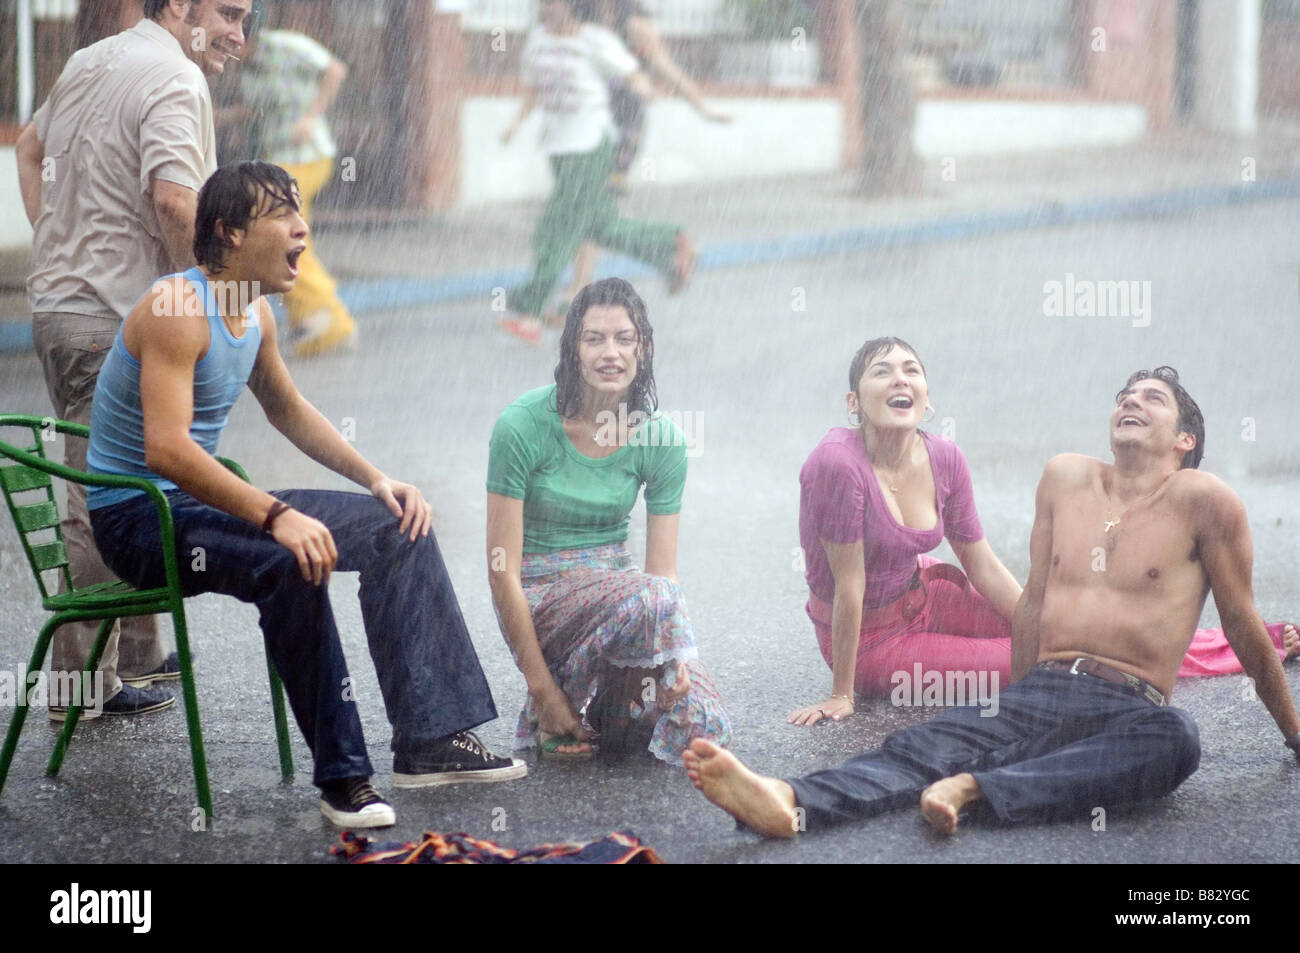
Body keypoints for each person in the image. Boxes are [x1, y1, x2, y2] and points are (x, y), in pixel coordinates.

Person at [87, 162, 524, 828]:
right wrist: (278, 515)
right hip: (137, 519)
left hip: (200, 506)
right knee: (291, 559)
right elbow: (167, 450)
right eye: (283, 214)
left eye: (300, 212)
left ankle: (432, 737)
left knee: (395, 524)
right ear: (230, 233)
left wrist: (376, 478)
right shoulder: (177, 308)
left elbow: (287, 407)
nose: (302, 227)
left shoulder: (255, 312)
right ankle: (344, 780)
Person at [685, 366, 1300, 836]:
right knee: (926, 743)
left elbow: (1241, 624)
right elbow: (1032, 601)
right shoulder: (1066, 478)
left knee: (1176, 741)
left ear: (1185, 439)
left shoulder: (1205, 500)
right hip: (1046, 682)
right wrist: (1022, 696)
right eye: (1124, 396)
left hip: (1132, 701)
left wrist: (1294, 733)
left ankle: (977, 788)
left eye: (1152, 399)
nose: (1130, 402)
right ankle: (787, 801)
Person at [790, 338, 1297, 727]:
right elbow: (849, 586)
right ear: (854, 402)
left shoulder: (944, 457)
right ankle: (1194, 657)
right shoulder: (837, 464)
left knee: (1075, 631)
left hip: (927, 594)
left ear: (927, 398)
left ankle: (1249, 645)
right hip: (870, 642)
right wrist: (843, 693)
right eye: (881, 372)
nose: (899, 379)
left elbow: (982, 564)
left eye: (911, 370)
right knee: (1035, 667)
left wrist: (1049, 620)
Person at [15, 0, 252, 719]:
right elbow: (180, 205)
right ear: (178, 4)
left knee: (143, 463)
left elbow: (28, 149)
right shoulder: (176, 77)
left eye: (249, 20)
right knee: (96, 487)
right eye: (229, 14)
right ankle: (77, 685)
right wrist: (215, 298)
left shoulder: (95, 59)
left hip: (68, 306)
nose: (240, 36)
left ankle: (140, 649)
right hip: (109, 314)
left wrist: (57, 243)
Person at [486, 277, 730, 760]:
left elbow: (663, 570)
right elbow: (501, 571)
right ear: (572, 348)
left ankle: (600, 719)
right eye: (594, 338)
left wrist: (674, 662)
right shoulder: (521, 425)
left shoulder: (663, 440)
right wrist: (543, 690)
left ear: (645, 349)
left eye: (624, 338)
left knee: (705, 724)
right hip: (542, 595)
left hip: (629, 602)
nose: (610, 352)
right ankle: (555, 709)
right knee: (653, 600)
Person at [498, 0, 695, 344]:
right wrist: (515, 124)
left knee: (555, 228)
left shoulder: (595, 40)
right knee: (600, 226)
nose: (547, 7)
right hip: (559, 149)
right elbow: (534, 89)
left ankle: (530, 313)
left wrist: (646, 89)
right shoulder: (538, 41)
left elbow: (630, 71)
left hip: (590, 146)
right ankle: (670, 244)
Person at [558, 0, 732, 315]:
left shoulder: (635, 26)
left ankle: (578, 292)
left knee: (587, 206)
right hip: (587, 125)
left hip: (621, 128)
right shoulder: (580, 21)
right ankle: (669, 250)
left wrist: (703, 107)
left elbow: (668, 69)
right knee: (591, 212)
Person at [233, 25, 357, 357]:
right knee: (285, 238)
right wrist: (223, 117)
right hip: (280, 162)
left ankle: (326, 316)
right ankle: (316, 319)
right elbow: (266, 108)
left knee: (283, 238)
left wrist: (310, 117)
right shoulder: (246, 69)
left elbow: (335, 69)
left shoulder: (284, 46)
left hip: (307, 155)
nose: (230, 49)